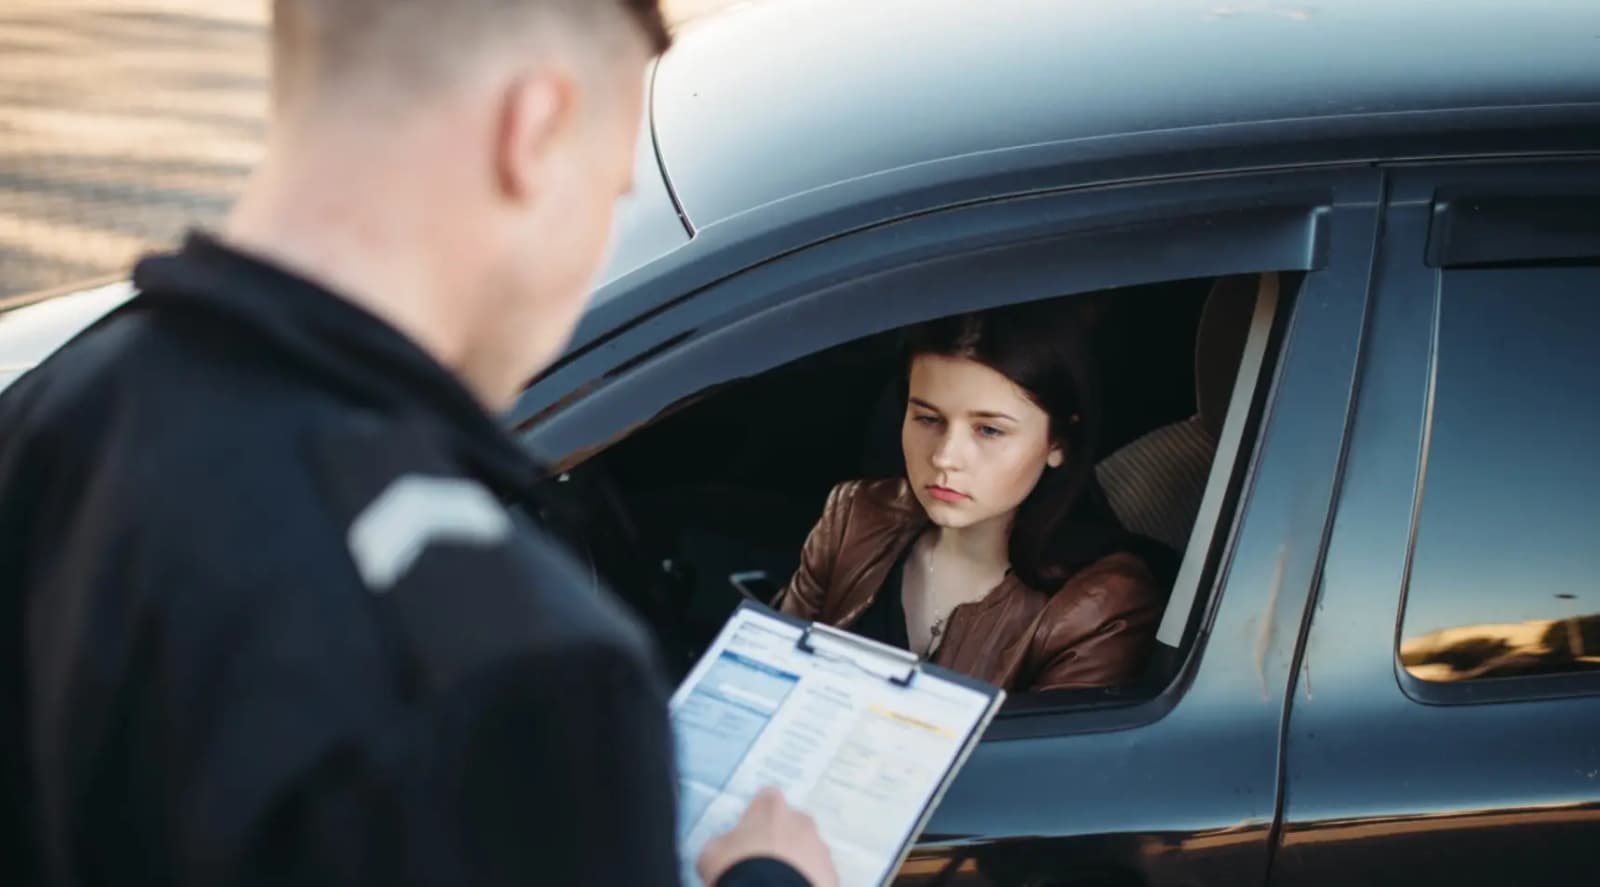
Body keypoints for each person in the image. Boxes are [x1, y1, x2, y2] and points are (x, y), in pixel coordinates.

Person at [0, 1, 834, 885]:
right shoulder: (526, 677)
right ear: (535, 128)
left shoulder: (48, 414)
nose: (598, 248)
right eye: (612, 195)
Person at [776, 301, 1169, 693]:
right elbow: (767, 675)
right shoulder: (855, 518)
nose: (944, 457)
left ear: (1058, 443)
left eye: (989, 431)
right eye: (928, 419)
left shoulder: (1098, 605)